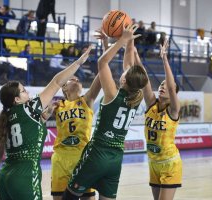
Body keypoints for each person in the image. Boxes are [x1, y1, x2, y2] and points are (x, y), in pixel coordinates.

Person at [0, 46, 93, 200]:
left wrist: (43, 118)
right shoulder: (28, 108)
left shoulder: (7, 115)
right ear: (17, 99)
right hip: (24, 175)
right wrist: (78, 62)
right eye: (24, 91)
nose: (28, 93)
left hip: (5, 176)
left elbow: (27, 131)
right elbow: (57, 82)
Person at [62, 24, 149, 200]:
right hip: (116, 159)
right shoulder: (137, 95)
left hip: (97, 154)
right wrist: (128, 42)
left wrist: (122, 41)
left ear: (124, 79)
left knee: (69, 197)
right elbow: (129, 64)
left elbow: (102, 62)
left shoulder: (112, 95)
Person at [50, 30, 107, 200]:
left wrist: (105, 46)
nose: (75, 79)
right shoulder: (57, 105)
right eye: (70, 79)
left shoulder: (87, 100)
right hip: (60, 158)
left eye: (77, 79)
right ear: (64, 88)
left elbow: (103, 72)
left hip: (82, 157)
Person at [139, 38, 182, 200]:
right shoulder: (152, 104)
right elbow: (144, 79)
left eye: (166, 85)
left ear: (173, 95)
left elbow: (172, 86)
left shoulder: (174, 109)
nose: (162, 86)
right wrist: (134, 52)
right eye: (161, 85)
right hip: (153, 163)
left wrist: (164, 58)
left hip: (170, 164)